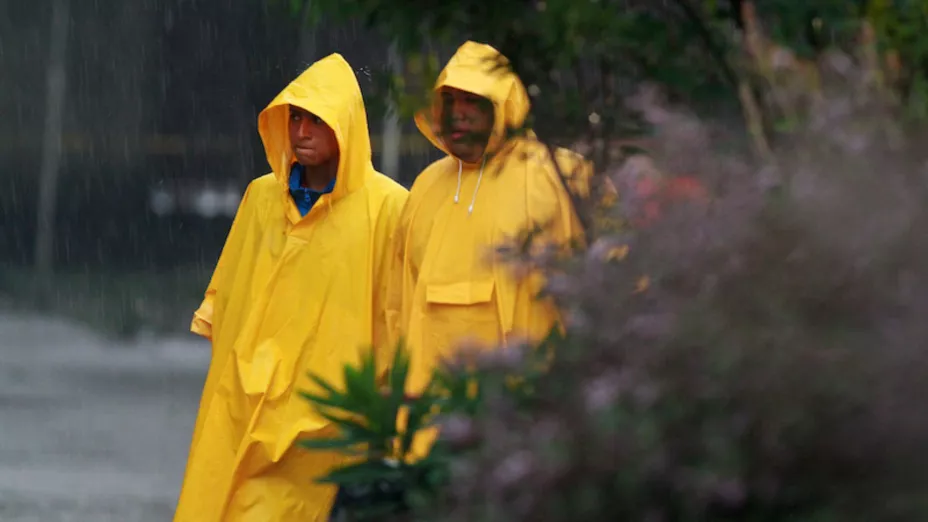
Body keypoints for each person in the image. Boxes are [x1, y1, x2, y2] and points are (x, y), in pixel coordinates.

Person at [173, 53, 408, 521]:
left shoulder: (388, 209)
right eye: (295, 117)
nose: (301, 132)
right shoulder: (262, 197)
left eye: (316, 120)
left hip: (323, 422)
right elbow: (229, 295)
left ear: (345, 125)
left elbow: (397, 319)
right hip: (244, 402)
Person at [385, 41, 589, 456]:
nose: (457, 112)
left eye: (473, 100)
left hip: (532, 413)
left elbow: (615, 284)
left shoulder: (560, 175)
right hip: (433, 419)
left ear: (504, 104)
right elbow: (398, 302)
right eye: (449, 100)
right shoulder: (425, 188)